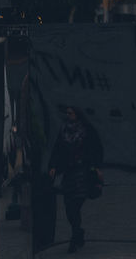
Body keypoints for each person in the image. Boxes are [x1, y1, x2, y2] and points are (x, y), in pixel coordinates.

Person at [47, 106, 103, 253]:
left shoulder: (86, 129)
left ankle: (74, 239)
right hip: (68, 173)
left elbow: (96, 147)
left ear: (77, 114)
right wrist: (53, 166)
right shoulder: (64, 130)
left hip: (83, 173)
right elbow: (57, 148)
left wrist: (96, 167)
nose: (68, 115)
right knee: (69, 208)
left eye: (70, 113)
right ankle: (78, 232)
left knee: (76, 205)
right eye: (67, 113)